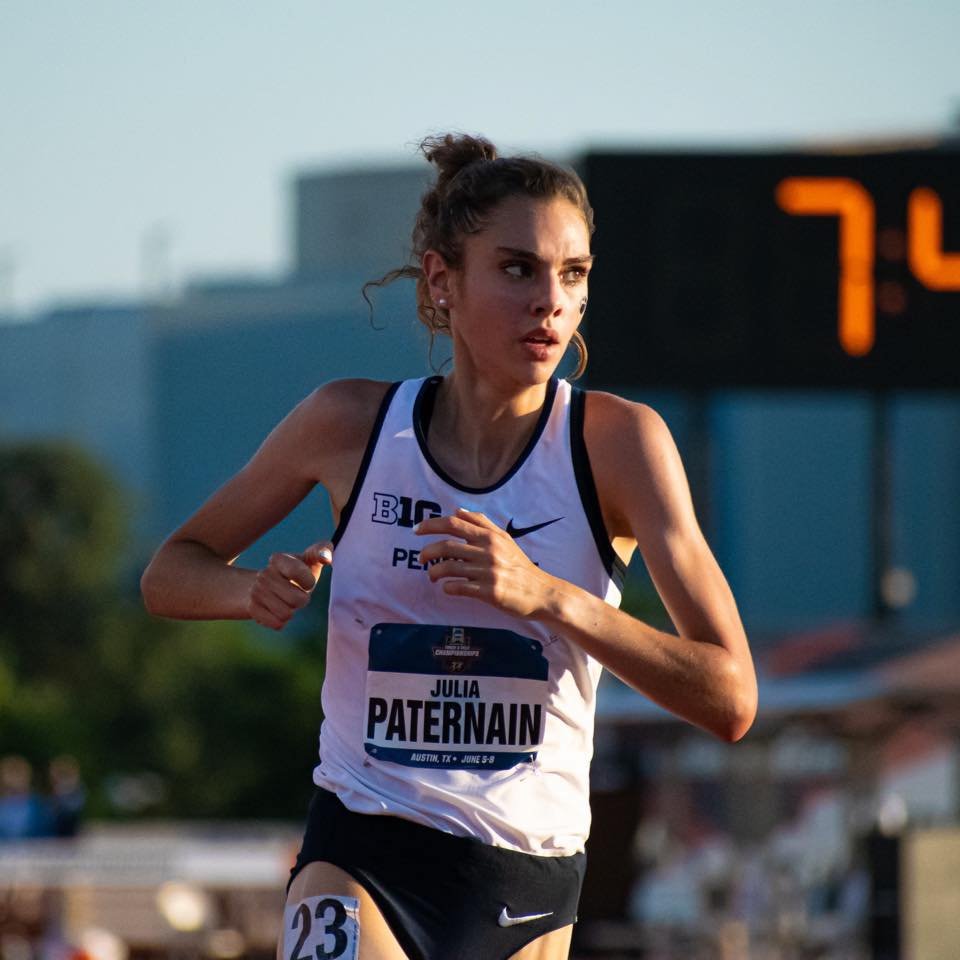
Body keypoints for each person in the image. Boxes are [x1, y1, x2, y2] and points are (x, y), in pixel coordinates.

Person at [141, 133, 757, 960]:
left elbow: (730, 696)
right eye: (516, 268)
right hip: (361, 845)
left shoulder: (619, 445)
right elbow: (170, 572)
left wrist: (546, 595)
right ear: (443, 280)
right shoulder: (348, 424)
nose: (549, 301)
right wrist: (248, 592)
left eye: (571, 274)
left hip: (525, 882)